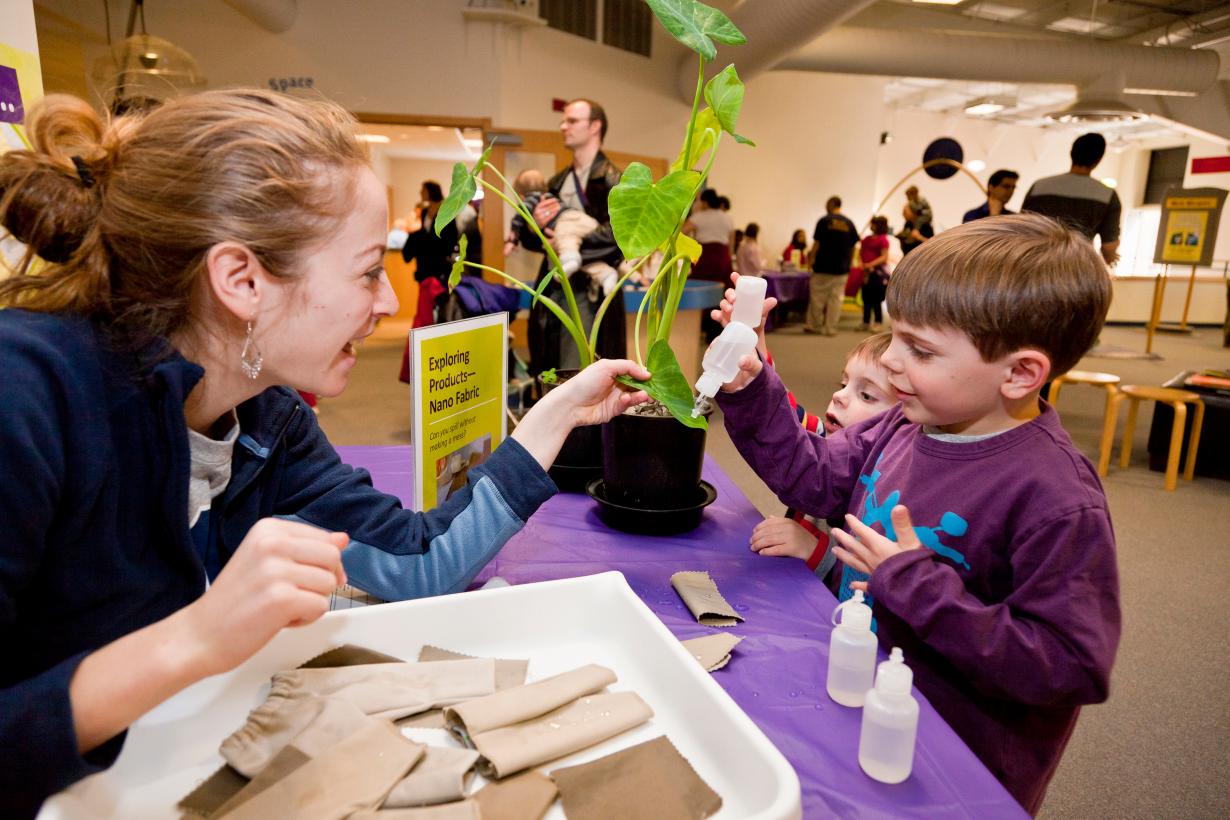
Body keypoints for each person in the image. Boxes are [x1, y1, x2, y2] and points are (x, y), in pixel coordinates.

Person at [0, 91, 651, 817]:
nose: (383, 306)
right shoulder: (25, 395)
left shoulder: (265, 416)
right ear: (241, 280)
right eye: (368, 271)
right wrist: (195, 639)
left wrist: (554, 415)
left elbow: (420, 562)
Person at [713, 214, 1120, 814]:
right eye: (895, 337)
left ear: (1020, 372)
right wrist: (752, 387)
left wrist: (915, 587)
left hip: (958, 757)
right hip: (862, 693)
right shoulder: (904, 422)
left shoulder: (1058, 499)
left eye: (921, 350)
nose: (894, 363)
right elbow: (815, 476)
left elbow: (1069, 664)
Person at [749, 332, 895, 579]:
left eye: (866, 395)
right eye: (843, 384)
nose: (839, 395)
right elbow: (784, 418)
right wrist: (757, 354)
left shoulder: (884, 484)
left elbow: (863, 580)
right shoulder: (831, 440)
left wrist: (815, 550)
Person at [518, 97, 626, 375]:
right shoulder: (555, 182)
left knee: (584, 369)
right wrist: (535, 227)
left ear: (595, 127)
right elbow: (530, 240)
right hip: (556, 285)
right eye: (563, 120)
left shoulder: (615, 180)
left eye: (572, 120)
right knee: (551, 366)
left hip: (591, 293)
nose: (563, 126)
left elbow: (621, 237)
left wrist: (569, 246)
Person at [508, 168, 617, 297]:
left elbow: (519, 217)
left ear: (521, 196)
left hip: (569, 223)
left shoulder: (612, 178)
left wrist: (512, 238)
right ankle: (605, 274)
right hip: (585, 224)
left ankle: (571, 258)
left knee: (567, 244)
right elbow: (531, 241)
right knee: (579, 257)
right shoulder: (557, 182)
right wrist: (533, 229)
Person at [1022, 133, 1121, 265]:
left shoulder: (1039, 186)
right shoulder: (1107, 195)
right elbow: (1108, 247)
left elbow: (1021, 228)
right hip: (1076, 266)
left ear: (1071, 153)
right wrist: (1110, 260)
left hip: (1035, 262)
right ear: (1099, 159)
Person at [805, 195, 858, 336]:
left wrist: (811, 261)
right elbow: (853, 246)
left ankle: (815, 325)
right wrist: (850, 262)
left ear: (832, 204)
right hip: (841, 268)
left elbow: (817, 243)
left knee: (817, 297)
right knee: (836, 299)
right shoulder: (849, 223)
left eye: (827, 204)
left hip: (823, 266)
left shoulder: (824, 221)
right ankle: (831, 328)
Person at [684, 188, 735, 286]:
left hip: (704, 256)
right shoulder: (728, 218)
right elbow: (731, 245)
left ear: (705, 203)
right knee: (721, 289)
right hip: (723, 256)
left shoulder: (698, 216)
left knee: (701, 286)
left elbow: (682, 232)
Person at [857, 215, 892, 331]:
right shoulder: (866, 239)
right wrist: (862, 264)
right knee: (865, 298)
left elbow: (884, 257)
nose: (871, 226)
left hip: (877, 273)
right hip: (866, 272)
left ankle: (878, 321)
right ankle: (865, 321)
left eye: (873, 223)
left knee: (876, 299)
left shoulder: (883, 239)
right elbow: (860, 253)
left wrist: (870, 264)